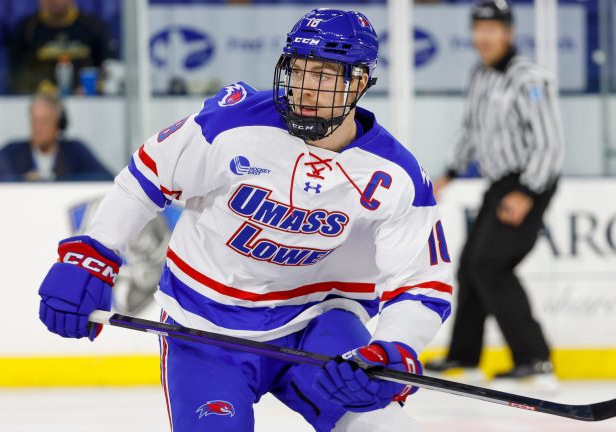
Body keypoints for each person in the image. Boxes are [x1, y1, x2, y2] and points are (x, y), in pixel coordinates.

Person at [37, 9, 453, 432]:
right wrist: (92, 254)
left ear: (360, 82)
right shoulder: (232, 122)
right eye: (299, 70)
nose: (306, 89)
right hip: (206, 329)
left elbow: (422, 283)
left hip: (319, 323)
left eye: (325, 75)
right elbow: (147, 176)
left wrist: (393, 347)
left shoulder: (397, 176)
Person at [427, 0, 564, 386]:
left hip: (529, 181)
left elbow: (550, 144)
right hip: (498, 182)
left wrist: (527, 192)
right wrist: (449, 173)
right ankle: (464, 358)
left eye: (493, 29)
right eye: (478, 28)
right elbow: (470, 131)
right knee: (471, 266)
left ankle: (536, 359)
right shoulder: (480, 75)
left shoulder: (529, 78)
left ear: (509, 33)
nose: (484, 37)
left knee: (492, 265)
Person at [0, 92, 111, 182]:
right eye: (34, 120)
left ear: (58, 125)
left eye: (44, 121)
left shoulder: (75, 151)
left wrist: (59, 180)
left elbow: (105, 179)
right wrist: (20, 181)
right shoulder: (13, 152)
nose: (37, 127)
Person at [7, 0, 111, 94]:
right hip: (40, 102)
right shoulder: (26, 29)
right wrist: (41, 88)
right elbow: (16, 74)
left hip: (88, 101)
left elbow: (108, 67)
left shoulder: (93, 27)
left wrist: (92, 88)